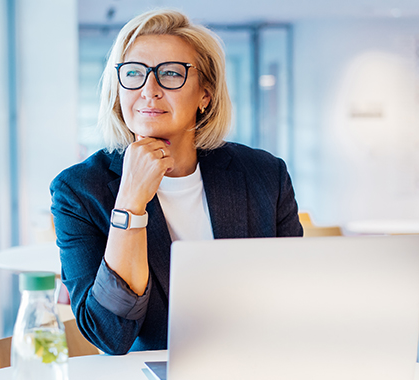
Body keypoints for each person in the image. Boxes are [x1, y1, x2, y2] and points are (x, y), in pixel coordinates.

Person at [50, 9, 303, 355]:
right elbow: (110, 335)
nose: (148, 90)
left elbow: (296, 296)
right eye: (134, 74)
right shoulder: (79, 191)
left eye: (170, 74)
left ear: (205, 95)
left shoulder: (264, 174)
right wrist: (130, 204)